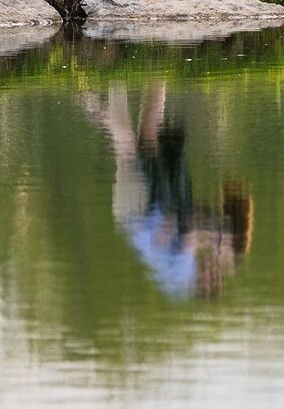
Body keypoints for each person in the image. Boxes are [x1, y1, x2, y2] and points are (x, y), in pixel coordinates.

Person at [81, 80, 254, 300]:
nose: (213, 268)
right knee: (148, 139)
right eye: (216, 272)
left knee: (127, 146)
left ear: (204, 284)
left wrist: (211, 238)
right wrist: (209, 237)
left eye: (212, 275)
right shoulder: (181, 276)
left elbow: (180, 232)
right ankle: (141, 74)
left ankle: (88, 100)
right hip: (145, 207)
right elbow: (184, 221)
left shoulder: (182, 273)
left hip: (137, 211)